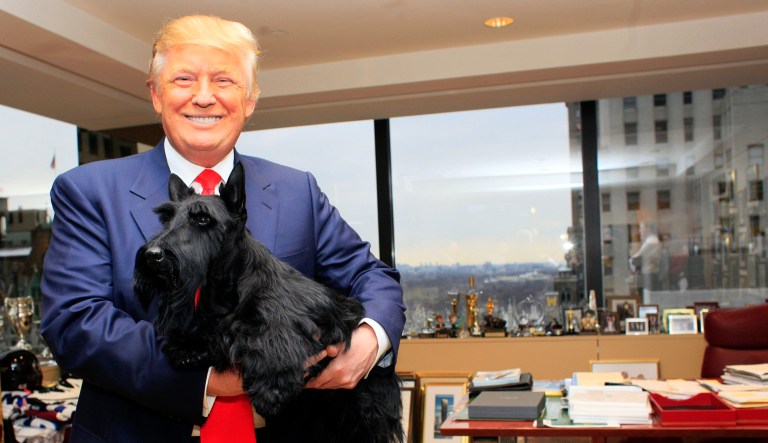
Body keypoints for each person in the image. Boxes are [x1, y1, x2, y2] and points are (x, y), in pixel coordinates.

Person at [40, 15, 405, 443]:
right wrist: (210, 378)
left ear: (249, 100)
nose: (203, 96)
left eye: (224, 80)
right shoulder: (88, 192)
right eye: (184, 79)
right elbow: (75, 321)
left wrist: (368, 342)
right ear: (156, 94)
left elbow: (372, 277)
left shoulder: (296, 191)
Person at [629, 221, 662, 294]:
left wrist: (632, 259)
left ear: (648, 229)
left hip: (649, 276)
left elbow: (635, 259)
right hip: (647, 275)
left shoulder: (652, 241)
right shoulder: (650, 241)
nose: (639, 231)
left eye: (641, 228)